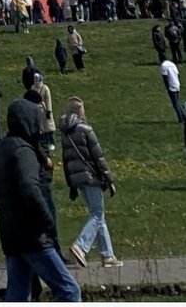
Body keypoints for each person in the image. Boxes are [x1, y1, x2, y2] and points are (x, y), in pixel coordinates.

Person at [0, 98, 79, 302]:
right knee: (69, 291)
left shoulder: (1, 149)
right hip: (32, 236)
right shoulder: (24, 151)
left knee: (18, 295)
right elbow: (30, 189)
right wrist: (47, 220)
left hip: (10, 234)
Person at [58, 97, 122, 269]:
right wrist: (109, 179)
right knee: (96, 214)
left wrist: (71, 184)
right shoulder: (86, 130)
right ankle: (81, 245)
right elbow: (98, 157)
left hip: (77, 179)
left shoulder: (65, 132)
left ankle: (107, 255)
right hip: (91, 176)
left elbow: (66, 159)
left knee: (98, 214)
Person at [159, 57, 184, 123]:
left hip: (171, 86)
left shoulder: (163, 66)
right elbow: (178, 75)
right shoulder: (172, 64)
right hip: (177, 84)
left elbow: (165, 78)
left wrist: (167, 88)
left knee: (175, 104)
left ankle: (180, 118)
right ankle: (183, 116)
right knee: (177, 102)